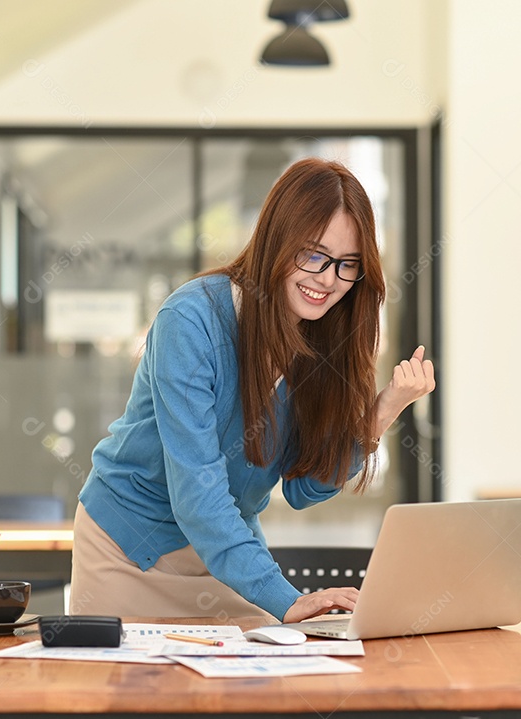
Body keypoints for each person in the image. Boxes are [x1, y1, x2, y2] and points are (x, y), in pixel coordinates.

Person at [70, 157, 435, 623]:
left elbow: (304, 488)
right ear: (276, 239)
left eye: (347, 265)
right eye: (313, 255)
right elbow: (198, 497)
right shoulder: (192, 321)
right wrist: (284, 597)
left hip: (225, 559)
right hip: (128, 553)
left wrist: (379, 415)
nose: (327, 279)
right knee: (141, 694)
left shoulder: (323, 337)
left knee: (262, 686)